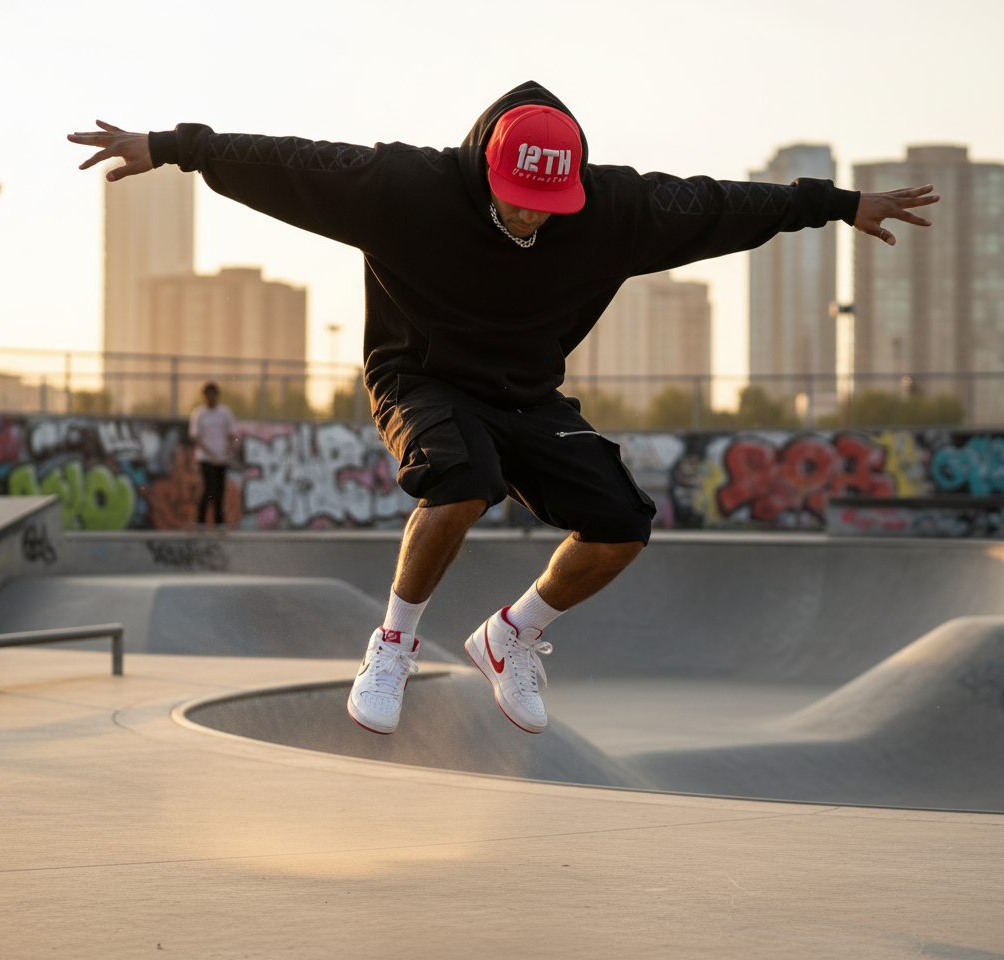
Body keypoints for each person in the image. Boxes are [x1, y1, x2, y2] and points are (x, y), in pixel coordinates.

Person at [70, 81, 938, 736]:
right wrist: (172, 145)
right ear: (485, 170)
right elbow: (293, 160)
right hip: (420, 376)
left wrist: (839, 205)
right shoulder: (404, 187)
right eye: (518, 200)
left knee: (621, 523)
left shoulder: (615, 208)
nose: (531, 217)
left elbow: (723, 202)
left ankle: (509, 637)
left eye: (547, 207)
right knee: (461, 482)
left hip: (528, 391)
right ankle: (394, 647)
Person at [188, 381, 237, 527]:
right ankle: (201, 521)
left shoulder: (225, 413)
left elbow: (232, 434)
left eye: (213, 395)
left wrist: (227, 448)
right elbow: (195, 436)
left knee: (220, 491)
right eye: (207, 395)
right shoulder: (199, 414)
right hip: (206, 458)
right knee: (209, 488)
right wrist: (208, 452)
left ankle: (219, 522)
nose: (210, 398)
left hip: (222, 459)